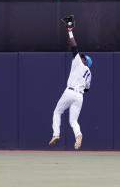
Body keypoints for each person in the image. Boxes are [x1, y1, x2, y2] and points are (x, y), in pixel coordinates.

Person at [49, 16, 92, 150]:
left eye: (84, 58)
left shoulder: (78, 62)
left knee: (57, 112)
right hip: (80, 96)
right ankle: (78, 135)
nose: (82, 57)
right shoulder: (89, 74)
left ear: (86, 62)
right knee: (73, 121)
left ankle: (56, 134)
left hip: (70, 91)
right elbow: (87, 90)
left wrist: (69, 30)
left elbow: (74, 46)